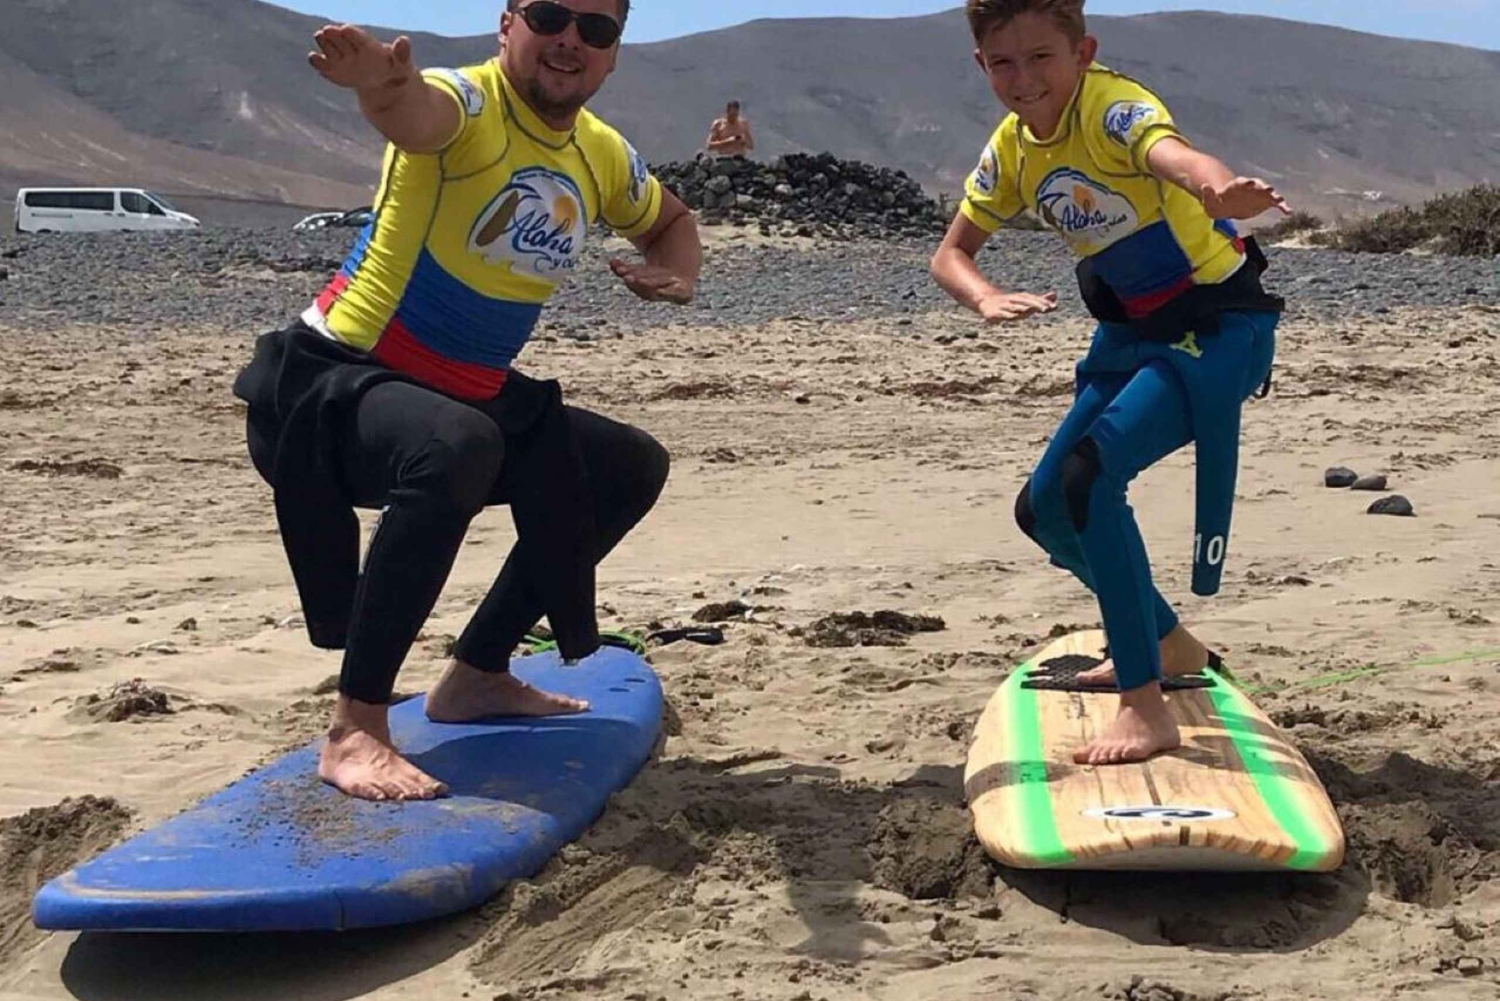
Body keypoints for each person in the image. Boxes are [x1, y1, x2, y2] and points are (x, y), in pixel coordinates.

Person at [232, 0, 702, 802]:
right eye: (552, 14)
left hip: (457, 396)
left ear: (615, 53)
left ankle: (478, 671)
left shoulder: (600, 154)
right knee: (458, 442)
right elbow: (413, 114)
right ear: (507, 23)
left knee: (627, 464)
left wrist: (677, 274)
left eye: (597, 29)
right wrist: (380, 88)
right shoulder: (468, 102)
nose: (570, 41)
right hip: (329, 390)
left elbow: (672, 221)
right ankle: (355, 726)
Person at [930, 0, 1289, 766]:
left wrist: (1218, 191)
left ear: (1083, 51)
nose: (1024, 80)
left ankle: (1146, 705)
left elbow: (1179, 161)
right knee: (1047, 509)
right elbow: (950, 254)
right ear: (980, 66)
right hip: (1131, 336)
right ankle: (1168, 642)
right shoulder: (1013, 148)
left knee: (1090, 480)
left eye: (1042, 58)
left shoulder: (1115, 109)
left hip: (1217, 332)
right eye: (1003, 63)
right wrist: (983, 294)